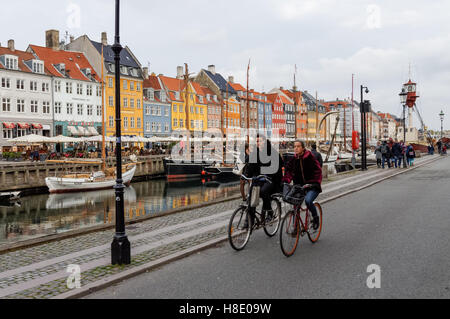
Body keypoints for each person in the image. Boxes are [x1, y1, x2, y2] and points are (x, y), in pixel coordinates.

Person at [282, 140, 322, 230]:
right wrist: (285, 180)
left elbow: (318, 171)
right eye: (294, 146)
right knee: (295, 205)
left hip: (312, 185)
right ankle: (295, 227)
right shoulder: (294, 159)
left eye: (298, 146)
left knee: (308, 201)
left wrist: (315, 182)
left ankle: (315, 218)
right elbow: (289, 171)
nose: (296, 148)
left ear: (303, 148)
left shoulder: (310, 157)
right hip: (299, 186)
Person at [246, 135, 284, 224]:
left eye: (260, 141)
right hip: (260, 179)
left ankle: (269, 212)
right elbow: (250, 167)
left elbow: (277, 168)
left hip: (272, 179)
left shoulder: (273, 152)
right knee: (252, 194)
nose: (258, 143)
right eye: (257, 141)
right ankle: (249, 220)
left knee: (263, 191)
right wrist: (246, 175)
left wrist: (267, 173)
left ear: (265, 141)